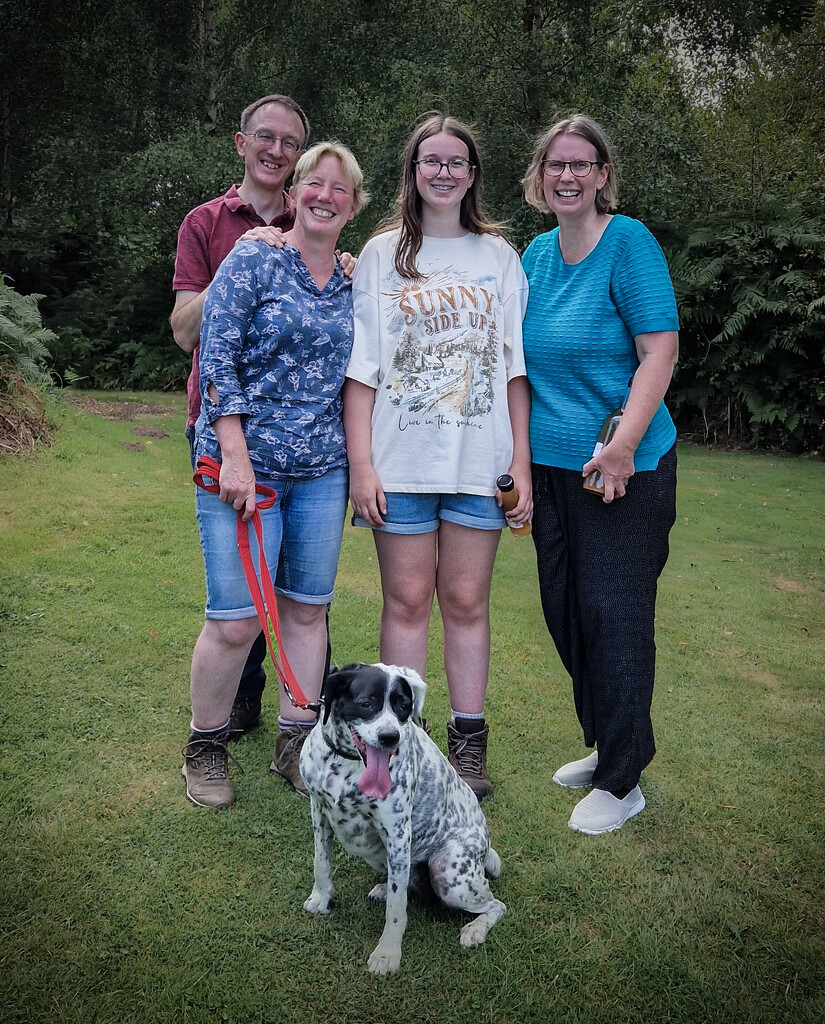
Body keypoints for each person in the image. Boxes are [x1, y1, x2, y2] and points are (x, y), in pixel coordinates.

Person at [343, 114, 531, 801]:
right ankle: (405, 744)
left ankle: (468, 747)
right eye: (431, 160)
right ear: (413, 172)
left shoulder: (499, 259)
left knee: (465, 599)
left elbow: (515, 372)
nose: (444, 171)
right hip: (401, 465)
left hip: (481, 469)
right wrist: (362, 467)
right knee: (407, 599)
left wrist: (523, 469)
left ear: (473, 175)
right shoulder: (381, 255)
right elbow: (361, 372)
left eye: (457, 161)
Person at [182, 141, 369, 808]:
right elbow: (218, 356)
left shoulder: (355, 279)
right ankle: (205, 747)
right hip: (242, 468)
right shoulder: (254, 258)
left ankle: (297, 745)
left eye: (338, 188)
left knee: (307, 612)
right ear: (295, 193)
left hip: (321, 473)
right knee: (235, 622)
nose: (323, 195)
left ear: (353, 205)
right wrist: (233, 452)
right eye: (312, 184)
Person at [519, 114, 679, 834]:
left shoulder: (629, 243)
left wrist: (623, 445)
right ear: (540, 174)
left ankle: (623, 781)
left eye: (582, 164)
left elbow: (659, 351)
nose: (568, 176)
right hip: (553, 471)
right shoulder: (534, 256)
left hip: (622, 469)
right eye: (557, 164)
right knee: (567, 612)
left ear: (603, 174)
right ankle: (609, 741)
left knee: (615, 619)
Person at [171, 94, 310, 750]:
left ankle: (281, 713)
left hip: (302, 439)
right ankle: (220, 724)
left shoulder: (313, 216)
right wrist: (242, 262)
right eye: (265, 137)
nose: (276, 150)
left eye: (289, 142)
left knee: (296, 590)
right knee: (238, 600)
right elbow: (181, 331)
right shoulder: (205, 223)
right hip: (222, 429)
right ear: (240, 142)